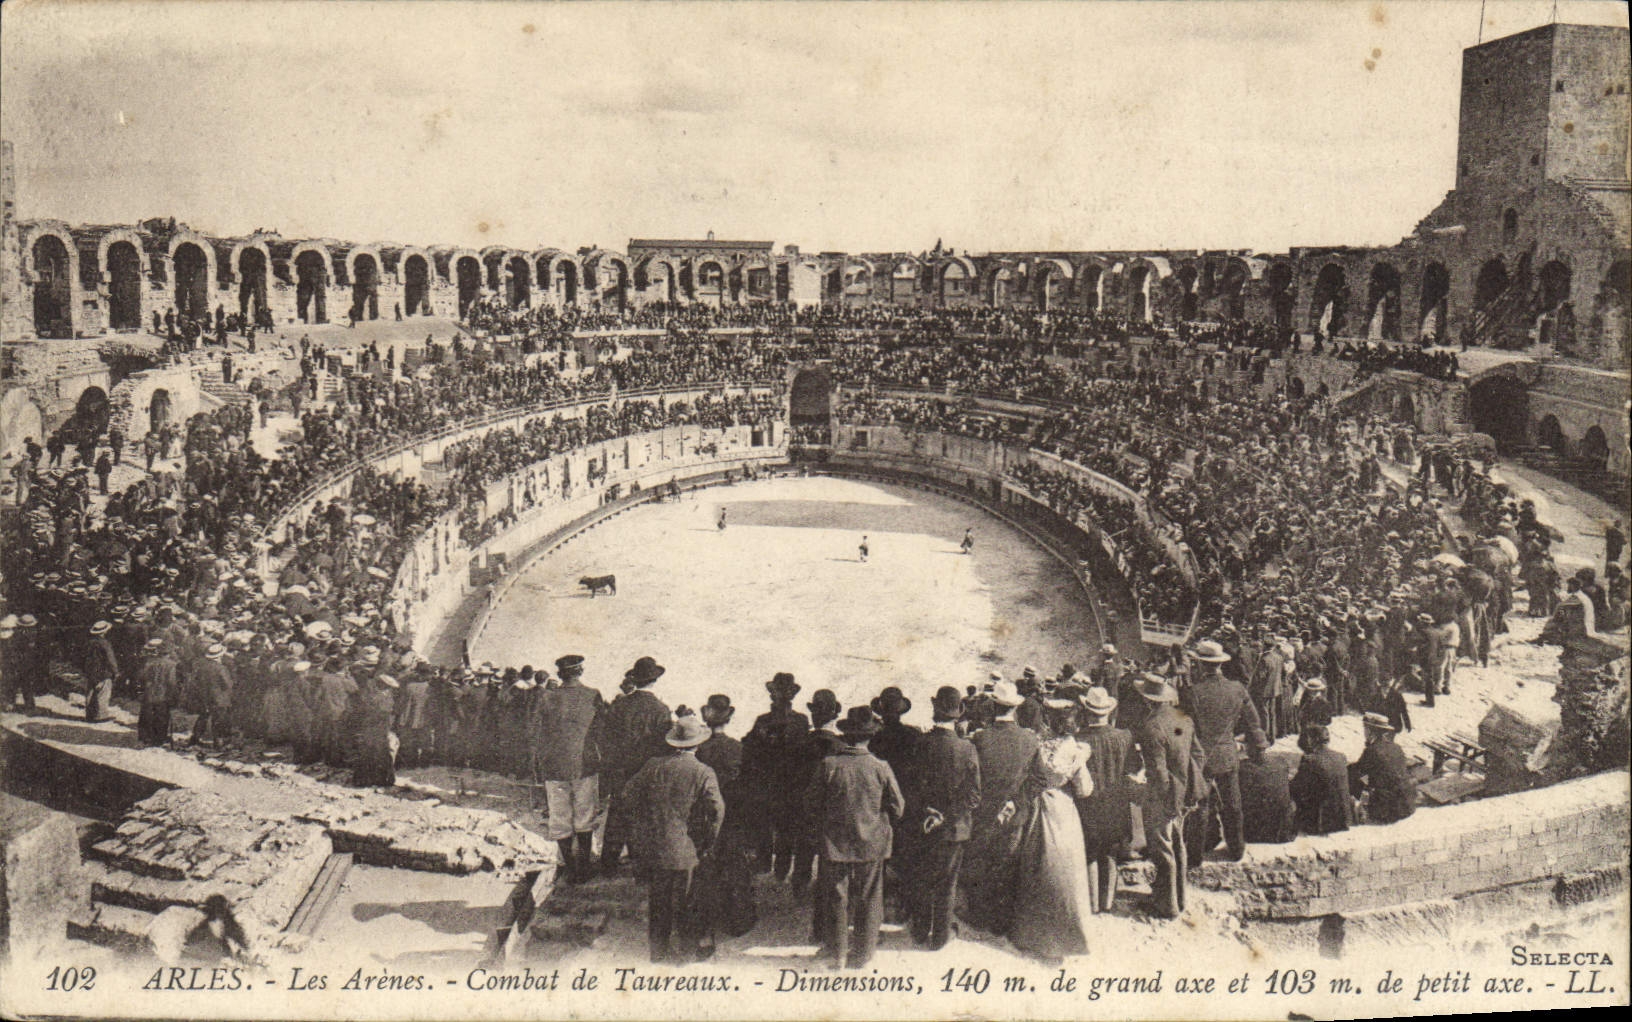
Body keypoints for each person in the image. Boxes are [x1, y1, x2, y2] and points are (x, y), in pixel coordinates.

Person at [804, 706, 904, 970]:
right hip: (871, 844)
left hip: (834, 844)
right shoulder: (881, 767)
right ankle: (862, 954)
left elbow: (811, 804)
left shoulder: (829, 765)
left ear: (845, 735)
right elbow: (898, 807)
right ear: (869, 737)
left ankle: (836, 954)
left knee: (836, 897)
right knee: (870, 897)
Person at [622, 713, 724, 964]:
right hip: (686, 849)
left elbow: (627, 796)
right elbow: (717, 811)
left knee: (659, 901)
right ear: (697, 744)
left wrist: (644, 828)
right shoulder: (702, 771)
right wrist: (707, 841)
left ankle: (657, 953)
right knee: (686, 901)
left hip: (654, 847)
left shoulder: (652, 765)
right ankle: (686, 954)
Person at [1003, 695, 1094, 960]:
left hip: (1038, 805)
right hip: (1063, 808)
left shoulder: (1038, 746)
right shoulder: (1076, 751)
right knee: (1065, 869)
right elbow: (1085, 789)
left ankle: (1030, 933)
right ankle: (1066, 935)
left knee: (1035, 865)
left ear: (1048, 721)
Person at [903, 686, 981, 951]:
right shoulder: (967, 748)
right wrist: (946, 816)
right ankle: (939, 938)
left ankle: (920, 931)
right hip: (954, 828)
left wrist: (928, 811)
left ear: (935, 709)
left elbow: (909, 787)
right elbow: (973, 796)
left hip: (922, 825)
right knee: (947, 884)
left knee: (923, 878)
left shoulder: (919, 744)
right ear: (958, 715)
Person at [962, 679, 1039, 934]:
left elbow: (970, 778)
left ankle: (978, 916)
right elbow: (1040, 779)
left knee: (979, 862)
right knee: (1006, 864)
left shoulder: (980, 738)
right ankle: (1002, 921)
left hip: (983, 814)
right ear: (1014, 708)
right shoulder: (1029, 739)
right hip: (1014, 815)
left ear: (993, 706)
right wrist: (1016, 802)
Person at [1181, 639, 1265, 864]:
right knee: (1233, 804)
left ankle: (1195, 855)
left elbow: (1184, 729)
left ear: (1199, 664)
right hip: (1228, 754)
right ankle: (1236, 849)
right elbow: (1254, 724)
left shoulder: (1192, 692)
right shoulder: (1237, 689)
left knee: (1200, 806)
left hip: (1201, 758)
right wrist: (1259, 750)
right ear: (1220, 664)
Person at [1133, 674, 1200, 920]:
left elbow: (1159, 774)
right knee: (1178, 845)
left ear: (1147, 700)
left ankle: (1166, 904)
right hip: (1183, 791)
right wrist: (1186, 785)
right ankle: (1180, 898)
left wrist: (1164, 800)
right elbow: (1198, 755)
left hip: (1163, 796)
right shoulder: (1183, 719)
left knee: (1162, 849)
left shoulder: (1151, 727)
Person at [533, 654, 605, 882]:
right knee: (584, 816)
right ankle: (583, 867)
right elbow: (601, 731)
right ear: (581, 671)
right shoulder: (593, 695)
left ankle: (570, 867)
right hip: (584, 765)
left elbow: (536, 733)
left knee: (560, 818)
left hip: (554, 766)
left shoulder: (547, 697)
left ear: (560, 674)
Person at [692, 695, 756, 944]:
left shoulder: (698, 749)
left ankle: (704, 920)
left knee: (704, 867)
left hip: (703, 814)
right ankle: (738, 919)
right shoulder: (737, 748)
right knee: (734, 866)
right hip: (733, 815)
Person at [600, 656, 673, 875]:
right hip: (646, 771)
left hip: (620, 770)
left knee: (617, 815)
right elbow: (665, 746)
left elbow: (607, 738)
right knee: (644, 816)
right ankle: (641, 862)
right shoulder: (661, 709)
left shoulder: (620, 705)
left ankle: (608, 863)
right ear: (655, 680)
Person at [1075, 685, 1133, 913]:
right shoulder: (1124, 737)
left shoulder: (1079, 739)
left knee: (1089, 852)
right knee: (1110, 852)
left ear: (1087, 711)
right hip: (1115, 806)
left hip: (1087, 807)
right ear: (1109, 711)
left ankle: (1092, 904)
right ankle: (1107, 903)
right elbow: (1133, 769)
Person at [1350, 712, 1417, 824]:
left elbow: (1357, 771)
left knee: (1352, 778)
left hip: (1388, 809)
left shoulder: (1372, 750)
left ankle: (1356, 808)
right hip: (1407, 804)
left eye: (1365, 728)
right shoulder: (1396, 747)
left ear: (1370, 731)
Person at [1290, 725, 1353, 836]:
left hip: (1321, 823)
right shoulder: (1341, 757)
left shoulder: (1310, 759)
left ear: (1313, 740)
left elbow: (1296, 788)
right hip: (1343, 819)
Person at [1237, 743, 1296, 844]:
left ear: (1248, 749)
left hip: (1253, 833)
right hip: (1283, 832)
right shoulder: (1281, 762)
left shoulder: (1242, 767)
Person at [350, 672, 399, 787]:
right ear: (383, 686)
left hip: (374, 729)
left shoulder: (373, 695)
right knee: (378, 753)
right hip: (377, 729)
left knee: (370, 753)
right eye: (388, 687)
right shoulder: (380, 698)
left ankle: (365, 780)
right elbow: (381, 713)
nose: (389, 690)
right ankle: (380, 780)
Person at [136, 637, 179, 746]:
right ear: (168, 653)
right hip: (163, 694)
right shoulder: (171, 665)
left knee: (146, 715)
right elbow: (171, 682)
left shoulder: (149, 662)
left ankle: (144, 737)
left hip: (149, 692)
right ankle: (159, 739)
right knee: (161, 717)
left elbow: (141, 677)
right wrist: (174, 696)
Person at [84, 620, 120, 723]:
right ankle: (101, 715)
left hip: (91, 670)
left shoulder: (89, 642)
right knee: (103, 694)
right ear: (104, 632)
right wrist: (115, 671)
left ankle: (89, 715)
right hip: (103, 671)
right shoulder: (105, 643)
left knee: (90, 692)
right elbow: (110, 659)